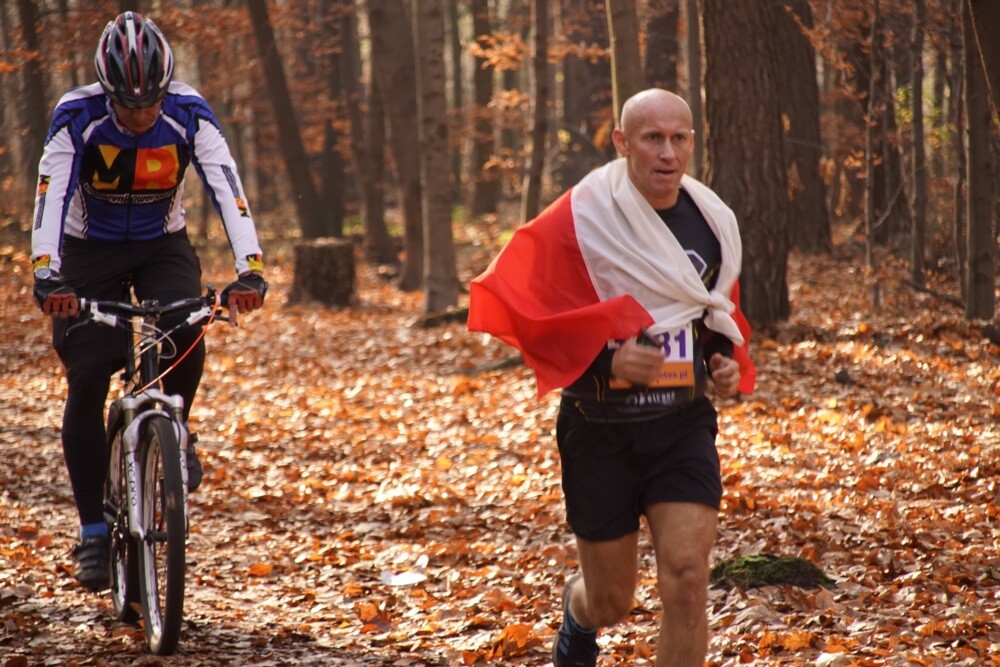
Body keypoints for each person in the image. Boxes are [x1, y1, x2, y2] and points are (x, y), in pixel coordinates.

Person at [467, 88, 756, 667]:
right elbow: (523, 308)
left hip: (680, 425)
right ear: (623, 142)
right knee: (610, 601)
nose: (667, 153)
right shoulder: (582, 215)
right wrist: (606, 361)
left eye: (679, 138)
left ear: (692, 143)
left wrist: (721, 360)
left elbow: (711, 311)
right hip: (598, 428)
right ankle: (578, 616)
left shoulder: (713, 220)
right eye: (652, 138)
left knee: (688, 579)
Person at [29, 12, 268, 593]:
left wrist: (250, 269)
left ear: (166, 87)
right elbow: (50, 195)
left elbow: (227, 187)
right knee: (89, 375)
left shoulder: (189, 113)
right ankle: (92, 531)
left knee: (188, 323)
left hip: (163, 244)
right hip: (88, 251)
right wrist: (47, 274)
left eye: (151, 102)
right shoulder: (76, 116)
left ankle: (176, 432)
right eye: (127, 106)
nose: (141, 115)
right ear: (106, 91)